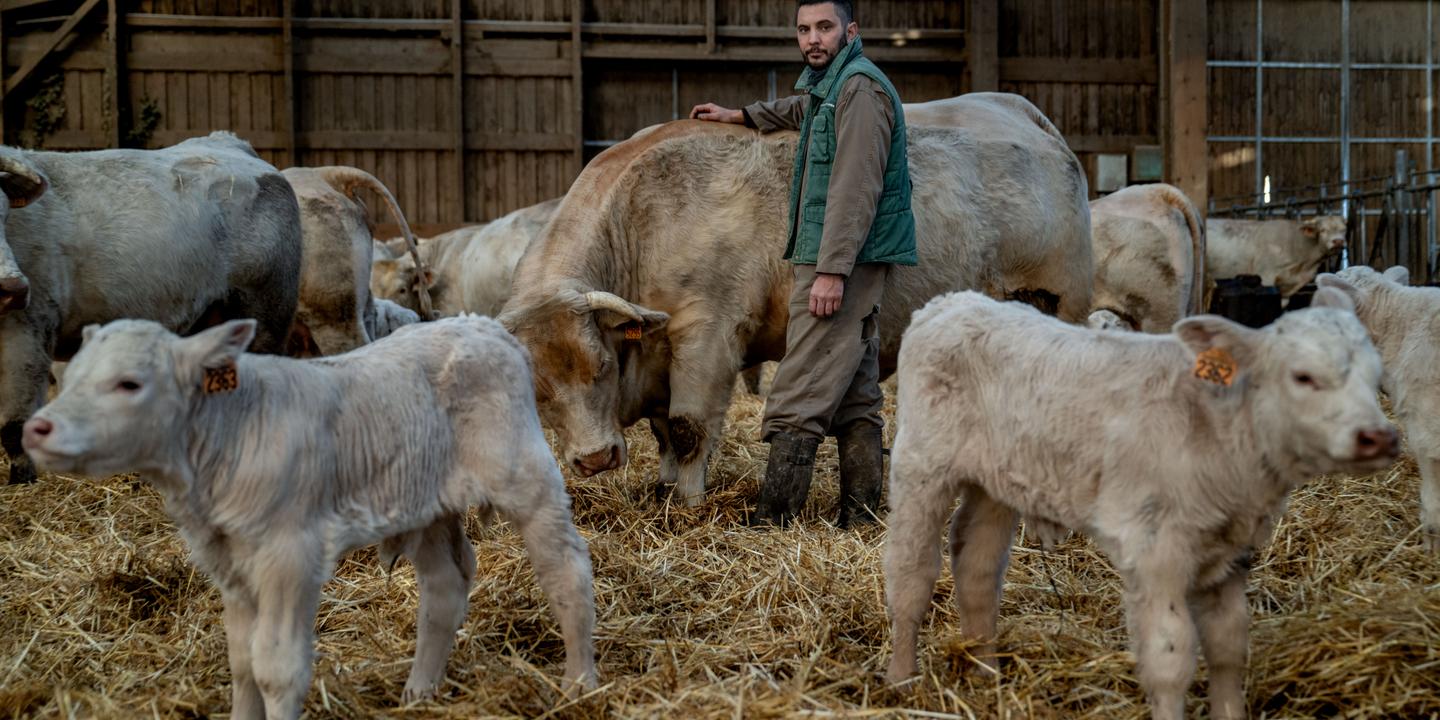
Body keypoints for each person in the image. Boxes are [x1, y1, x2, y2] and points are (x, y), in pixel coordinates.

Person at [689, 0, 916, 527]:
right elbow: (803, 112)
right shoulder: (834, 85)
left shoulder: (860, 88)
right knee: (857, 392)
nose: (813, 38)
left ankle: (775, 521)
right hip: (840, 256)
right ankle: (861, 518)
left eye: (824, 27)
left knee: (802, 383)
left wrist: (832, 271)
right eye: (804, 29)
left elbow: (856, 189)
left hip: (842, 259)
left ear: (850, 30)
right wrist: (742, 116)